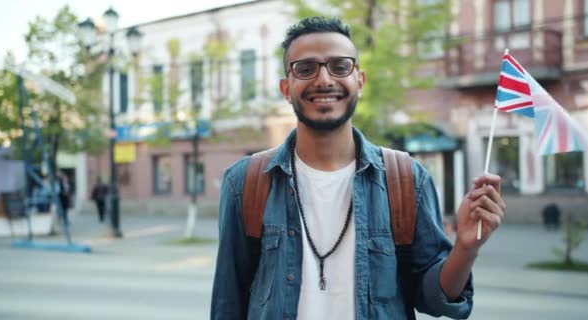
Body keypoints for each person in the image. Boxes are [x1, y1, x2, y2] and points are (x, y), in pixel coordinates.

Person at [211, 17, 506, 320]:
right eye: (305, 68)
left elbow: (434, 298)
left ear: (360, 82)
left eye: (340, 66)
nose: (324, 79)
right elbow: (227, 303)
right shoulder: (245, 183)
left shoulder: (406, 179)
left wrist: (466, 248)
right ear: (286, 88)